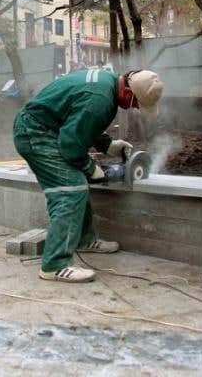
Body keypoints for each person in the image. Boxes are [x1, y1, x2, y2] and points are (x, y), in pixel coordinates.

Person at [13, 68, 164, 283]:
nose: (135, 108)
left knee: (77, 183)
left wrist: (108, 144)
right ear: (128, 93)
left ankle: (84, 240)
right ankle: (54, 265)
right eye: (136, 104)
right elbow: (70, 144)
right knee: (70, 189)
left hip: (45, 129)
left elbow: (81, 121)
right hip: (35, 133)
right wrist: (90, 167)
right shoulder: (100, 99)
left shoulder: (107, 83)